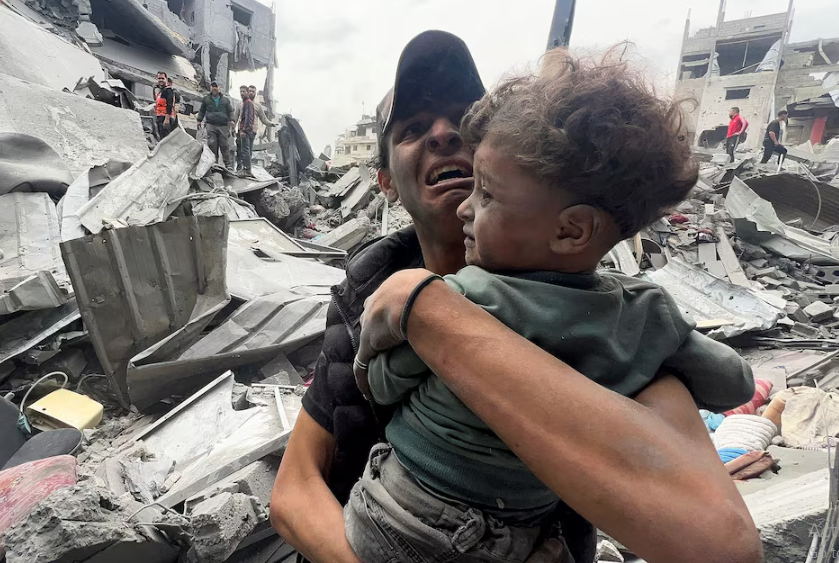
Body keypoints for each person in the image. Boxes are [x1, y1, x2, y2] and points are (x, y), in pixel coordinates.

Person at [270, 31, 761, 563]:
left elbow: (722, 545)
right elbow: (293, 491)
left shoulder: (613, 318)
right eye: (413, 129)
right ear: (386, 182)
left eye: (463, 118)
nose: (441, 134)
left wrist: (429, 314)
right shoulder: (367, 287)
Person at [196, 80, 234, 168]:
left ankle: (228, 164)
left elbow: (230, 111)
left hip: (223, 126)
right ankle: (214, 163)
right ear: (210, 88)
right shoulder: (206, 99)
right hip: (211, 125)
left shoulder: (225, 100)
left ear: (219, 88)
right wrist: (199, 120)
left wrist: (232, 120)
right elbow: (202, 111)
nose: (214, 88)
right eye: (212, 86)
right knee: (212, 144)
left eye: (216, 86)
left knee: (224, 144)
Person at [236, 85, 257, 177]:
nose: (242, 93)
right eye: (241, 92)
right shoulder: (246, 103)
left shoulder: (248, 103)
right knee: (246, 150)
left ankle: (246, 170)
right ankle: (247, 169)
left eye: (244, 91)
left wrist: (244, 130)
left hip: (246, 131)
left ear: (248, 92)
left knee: (245, 151)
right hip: (247, 130)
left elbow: (248, 118)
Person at [154, 71, 175, 140]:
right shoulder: (160, 91)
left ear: (166, 79)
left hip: (166, 118)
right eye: (159, 78)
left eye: (162, 78)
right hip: (160, 117)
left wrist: (167, 119)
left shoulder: (168, 90)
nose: (160, 80)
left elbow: (170, 105)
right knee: (161, 138)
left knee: (166, 139)